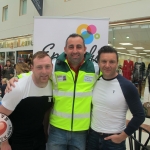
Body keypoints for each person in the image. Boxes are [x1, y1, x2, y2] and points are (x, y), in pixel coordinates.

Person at [5, 33, 99, 150]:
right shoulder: (55, 65)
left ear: (85, 49)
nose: (75, 50)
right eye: (71, 47)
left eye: (79, 47)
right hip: (57, 129)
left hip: (81, 131)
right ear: (65, 49)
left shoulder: (95, 68)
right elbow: (37, 73)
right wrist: (17, 78)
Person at [87, 46, 145, 150]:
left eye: (112, 62)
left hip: (114, 141)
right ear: (98, 63)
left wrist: (122, 137)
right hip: (93, 138)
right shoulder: (95, 82)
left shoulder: (127, 86)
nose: (107, 65)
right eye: (104, 61)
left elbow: (140, 115)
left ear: (117, 63)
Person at [0, 51, 53, 150]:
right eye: (39, 67)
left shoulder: (53, 86)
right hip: (17, 141)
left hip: (39, 140)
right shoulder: (17, 87)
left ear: (52, 67)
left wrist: (46, 133)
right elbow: (1, 115)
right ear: (32, 68)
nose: (44, 71)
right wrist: (4, 143)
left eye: (47, 66)